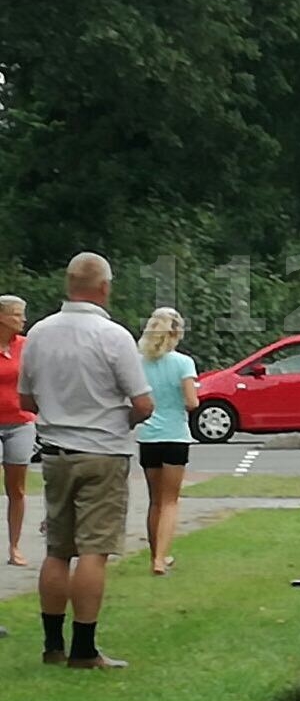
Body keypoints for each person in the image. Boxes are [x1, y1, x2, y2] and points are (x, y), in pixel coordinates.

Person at [18, 252, 153, 669]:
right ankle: (84, 648)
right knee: (95, 549)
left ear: (68, 284)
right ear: (104, 287)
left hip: (55, 451)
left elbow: (25, 399)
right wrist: (119, 420)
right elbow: (143, 403)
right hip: (103, 451)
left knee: (58, 548)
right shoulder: (112, 336)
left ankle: (52, 644)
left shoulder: (39, 333)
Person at [136, 308, 198, 576]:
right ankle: (161, 559)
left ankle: (155, 554)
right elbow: (191, 402)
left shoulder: (139, 362)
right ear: (176, 333)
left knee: (154, 500)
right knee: (170, 500)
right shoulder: (183, 363)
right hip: (174, 435)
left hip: (148, 435)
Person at [0, 295, 36, 567]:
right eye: (16, 314)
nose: (22, 319)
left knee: (17, 488)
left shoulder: (26, 346)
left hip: (20, 422)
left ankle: (14, 547)